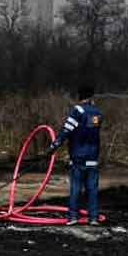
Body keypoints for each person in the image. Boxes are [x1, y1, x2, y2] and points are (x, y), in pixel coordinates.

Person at [46, 85, 103, 226]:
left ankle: (73, 217)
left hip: (78, 157)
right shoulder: (98, 113)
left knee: (76, 188)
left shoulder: (77, 111)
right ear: (91, 97)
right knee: (92, 189)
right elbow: (91, 128)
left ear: (80, 96)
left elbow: (67, 130)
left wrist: (54, 146)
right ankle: (93, 218)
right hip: (93, 158)